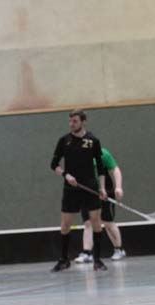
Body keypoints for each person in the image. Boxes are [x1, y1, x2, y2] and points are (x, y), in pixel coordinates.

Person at [50, 109, 108, 272]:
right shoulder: (64, 141)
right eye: (70, 121)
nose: (71, 124)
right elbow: (53, 164)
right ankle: (64, 260)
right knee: (65, 225)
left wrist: (102, 188)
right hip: (71, 188)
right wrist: (66, 175)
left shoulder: (93, 141)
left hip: (90, 187)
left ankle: (97, 260)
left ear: (83, 122)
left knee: (96, 223)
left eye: (75, 121)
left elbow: (101, 168)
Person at [74, 147, 126, 263]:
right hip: (87, 192)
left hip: (106, 191)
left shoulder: (103, 153)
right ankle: (87, 253)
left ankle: (119, 249)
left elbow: (115, 169)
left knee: (107, 222)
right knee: (88, 222)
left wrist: (118, 187)